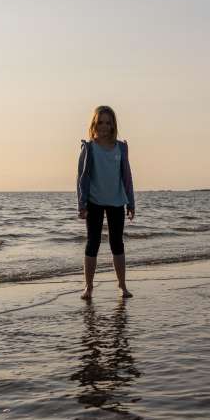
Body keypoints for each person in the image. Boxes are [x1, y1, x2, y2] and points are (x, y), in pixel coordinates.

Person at [76, 105, 135, 300]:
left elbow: (126, 176)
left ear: (113, 125)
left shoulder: (121, 147)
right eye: (100, 122)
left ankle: (122, 286)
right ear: (94, 124)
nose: (104, 126)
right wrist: (81, 204)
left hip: (117, 201)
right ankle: (88, 287)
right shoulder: (89, 148)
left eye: (108, 123)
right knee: (92, 243)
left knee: (116, 243)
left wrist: (131, 203)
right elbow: (82, 178)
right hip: (94, 201)